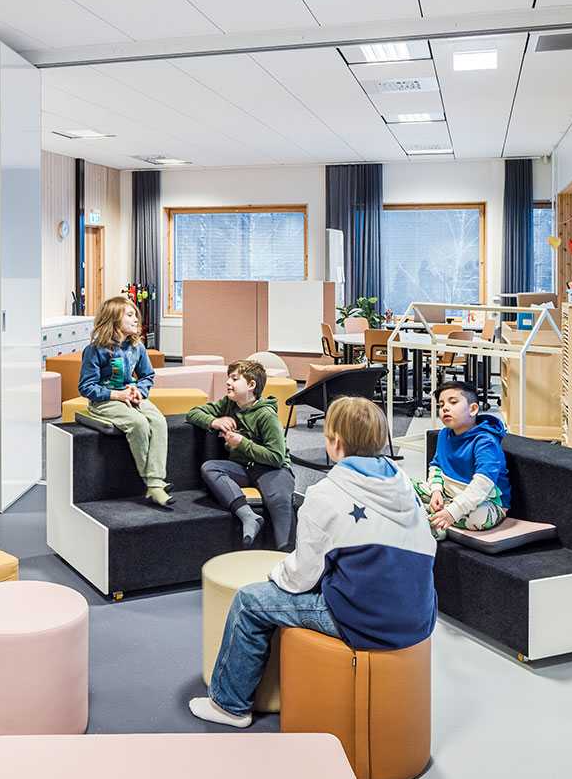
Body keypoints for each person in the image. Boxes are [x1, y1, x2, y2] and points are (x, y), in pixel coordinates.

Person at [190, 397, 436, 728]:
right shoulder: (403, 482)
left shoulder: (326, 493)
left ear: (335, 443)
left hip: (365, 621)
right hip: (420, 615)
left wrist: (274, 571)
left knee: (249, 601)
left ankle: (229, 705)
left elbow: (299, 578)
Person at [186, 360, 294, 548]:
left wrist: (241, 443)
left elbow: (276, 457)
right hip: (244, 468)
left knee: (280, 503)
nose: (228, 382)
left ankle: (285, 551)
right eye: (228, 377)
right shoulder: (229, 403)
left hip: (272, 470)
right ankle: (248, 516)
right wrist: (214, 421)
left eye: (234, 378)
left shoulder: (266, 415)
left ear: (251, 385)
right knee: (210, 468)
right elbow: (193, 413)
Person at [78, 295, 172, 506]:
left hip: (131, 395)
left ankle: (156, 479)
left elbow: (147, 376)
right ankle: (153, 483)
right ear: (113, 320)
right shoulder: (94, 350)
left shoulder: (137, 347)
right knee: (138, 423)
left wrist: (139, 390)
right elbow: (86, 387)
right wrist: (117, 395)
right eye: (130, 315)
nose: (136, 319)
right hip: (106, 399)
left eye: (135, 315)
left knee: (158, 421)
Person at [415, 382, 510, 540]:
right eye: (441, 404)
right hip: (449, 494)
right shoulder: (444, 434)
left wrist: (453, 512)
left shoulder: (485, 441)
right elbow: (436, 466)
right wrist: (436, 490)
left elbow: (483, 484)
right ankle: (439, 518)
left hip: (487, 501)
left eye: (453, 402)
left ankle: (434, 519)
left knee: (478, 519)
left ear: (473, 409)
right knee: (404, 486)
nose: (445, 408)